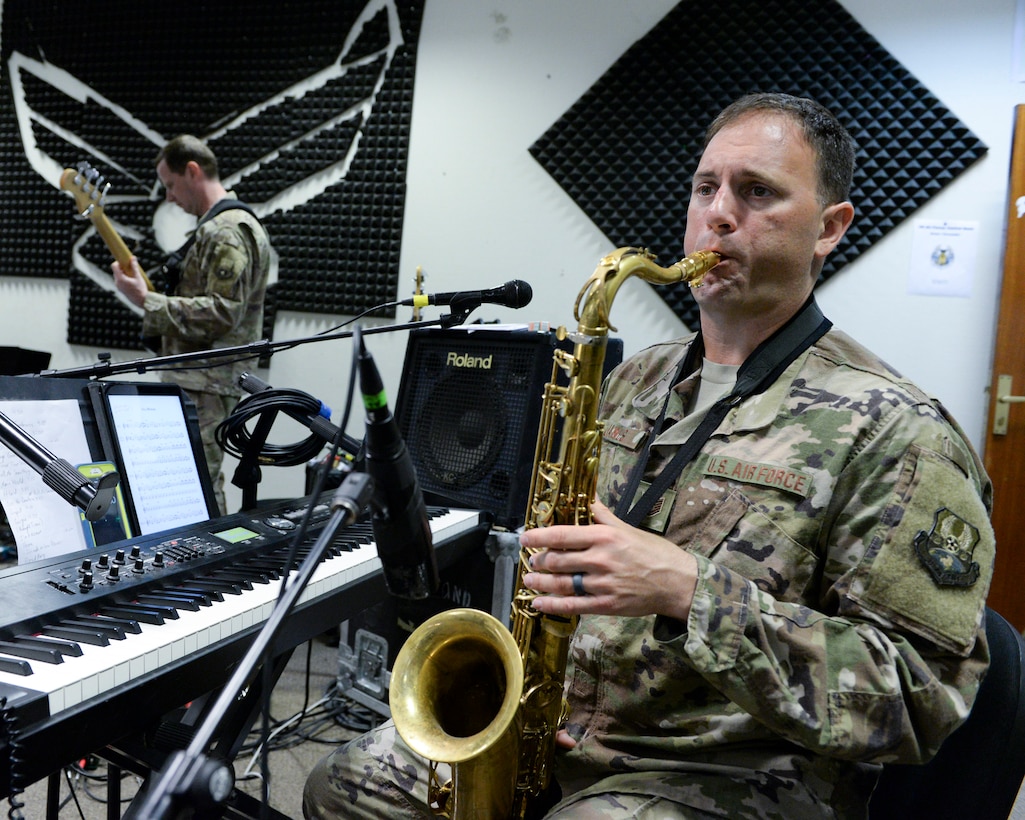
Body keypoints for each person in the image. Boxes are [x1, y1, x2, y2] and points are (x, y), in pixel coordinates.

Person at [303, 93, 995, 819]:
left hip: (734, 774)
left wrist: (691, 592)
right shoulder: (630, 378)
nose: (718, 213)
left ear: (829, 228)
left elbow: (920, 698)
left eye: (757, 192)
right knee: (342, 785)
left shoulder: (899, 428)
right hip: (564, 733)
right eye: (706, 189)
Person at [113, 135, 272, 515]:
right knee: (189, 485)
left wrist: (144, 300)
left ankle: (208, 565)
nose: (168, 197)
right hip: (197, 381)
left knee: (198, 486)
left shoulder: (226, 231)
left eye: (170, 184)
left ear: (193, 171)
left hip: (206, 384)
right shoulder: (218, 228)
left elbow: (222, 312)